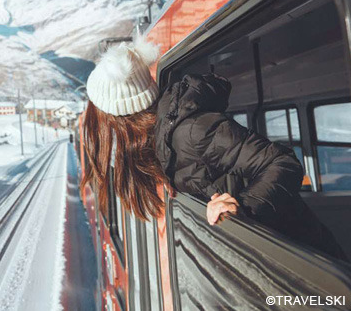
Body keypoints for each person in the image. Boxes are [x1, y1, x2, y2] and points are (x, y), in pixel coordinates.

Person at [82, 36, 345, 259]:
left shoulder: (191, 132)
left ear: (121, 120)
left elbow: (283, 162)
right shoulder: (165, 141)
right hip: (282, 255)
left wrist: (241, 209)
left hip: (305, 255)